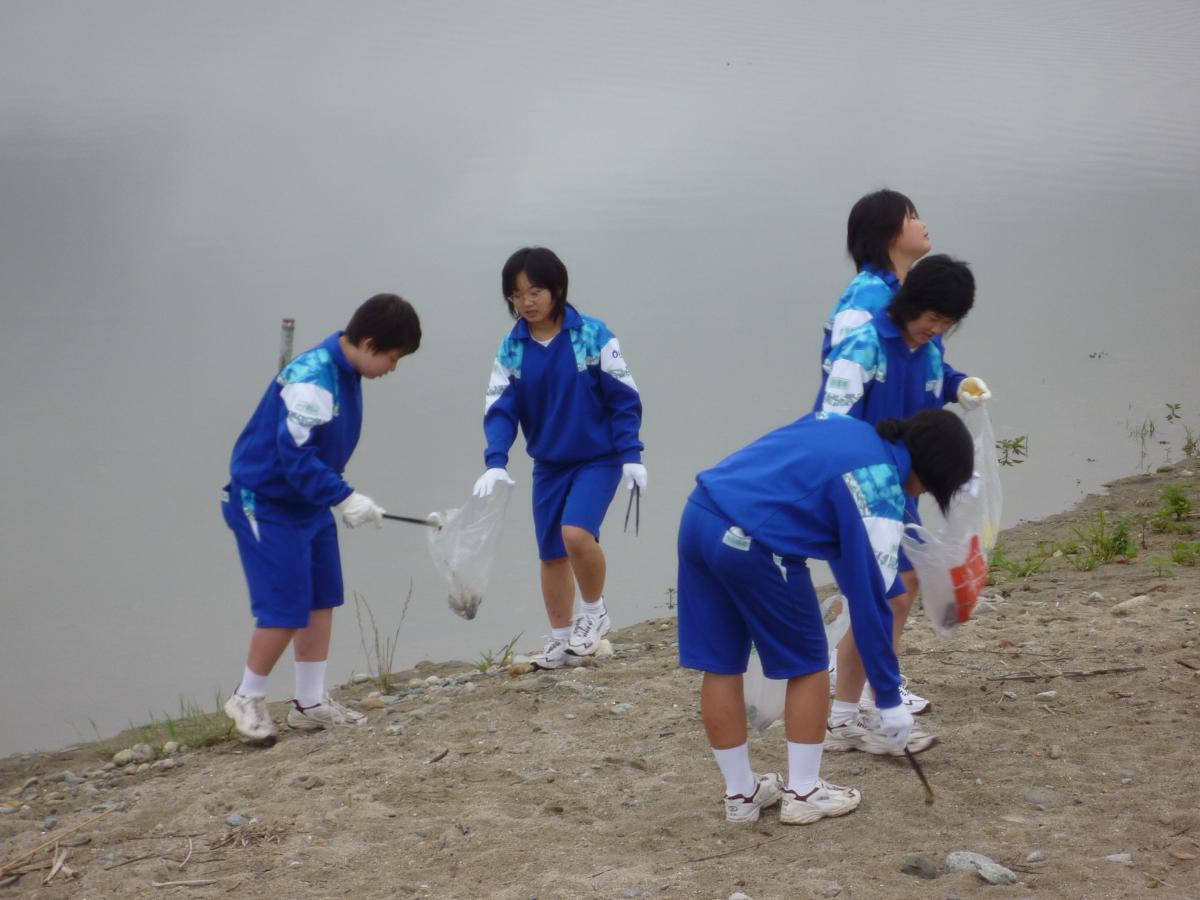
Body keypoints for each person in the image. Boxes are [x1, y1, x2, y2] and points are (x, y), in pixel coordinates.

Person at [677, 409, 975, 824]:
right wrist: (888, 699)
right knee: (809, 664)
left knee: (722, 662)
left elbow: (845, 548)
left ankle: (741, 795)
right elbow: (872, 603)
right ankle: (804, 791)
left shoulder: (842, 424)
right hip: (757, 543)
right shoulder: (880, 490)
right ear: (929, 472)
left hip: (700, 514)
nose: (922, 495)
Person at [221, 294, 422, 742]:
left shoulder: (349, 373)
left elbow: (317, 456)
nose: (393, 367)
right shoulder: (314, 378)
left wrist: (335, 494)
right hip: (266, 502)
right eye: (392, 356)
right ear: (369, 343)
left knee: (321, 597)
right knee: (286, 604)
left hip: (307, 502)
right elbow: (294, 457)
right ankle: (247, 696)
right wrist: (345, 497)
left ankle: (309, 702)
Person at [818, 254, 990, 753]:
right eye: (930, 318)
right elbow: (831, 424)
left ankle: (854, 711)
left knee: (895, 592)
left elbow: (933, 386)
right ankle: (864, 709)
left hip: (901, 483)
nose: (933, 330)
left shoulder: (930, 348)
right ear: (908, 304)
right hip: (854, 486)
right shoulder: (865, 345)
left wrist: (960, 386)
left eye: (946, 324)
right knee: (887, 595)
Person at [472, 247, 646, 669]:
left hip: (599, 457)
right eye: (516, 294)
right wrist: (496, 460)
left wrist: (631, 454)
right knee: (551, 552)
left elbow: (623, 398)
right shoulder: (512, 348)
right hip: (548, 463)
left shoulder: (592, 335)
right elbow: (500, 408)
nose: (526, 302)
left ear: (558, 289)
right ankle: (559, 638)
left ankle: (594, 613)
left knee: (575, 536)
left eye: (535, 291)